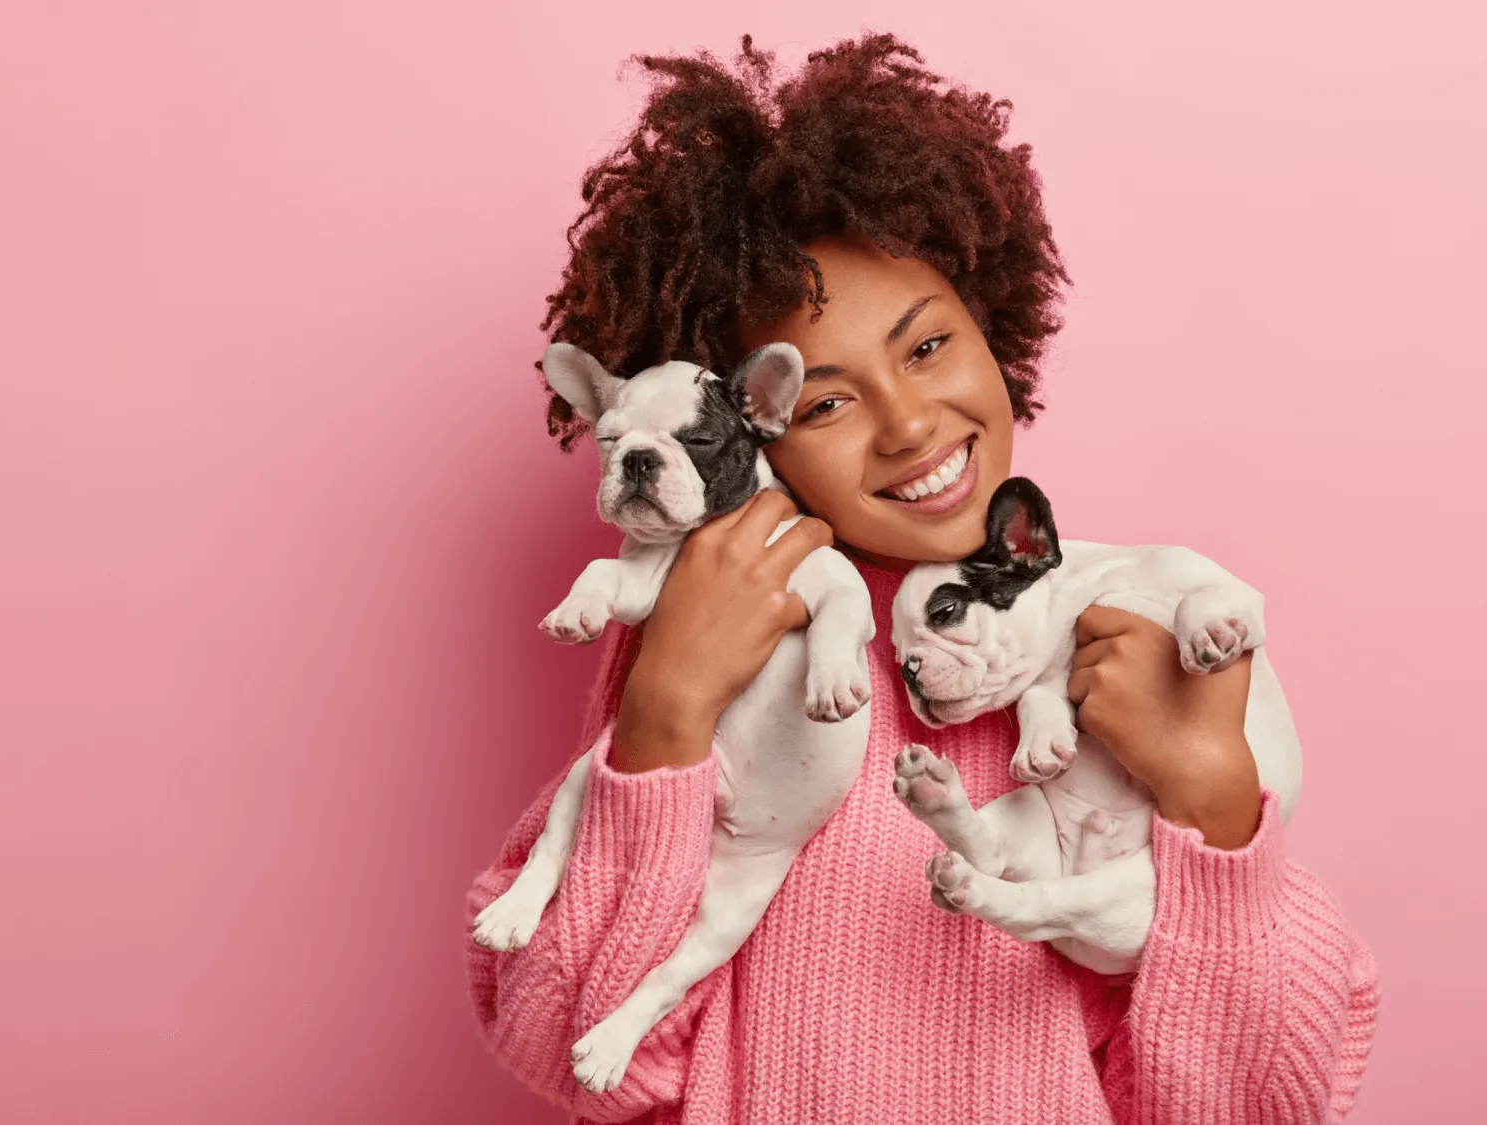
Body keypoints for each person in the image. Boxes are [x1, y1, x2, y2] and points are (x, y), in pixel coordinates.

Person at [464, 33, 1378, 1124]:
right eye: (828, 403)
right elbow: (565, 1049)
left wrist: (1215, 805)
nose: (907, 426)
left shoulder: (1131, 635)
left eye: (929, 346)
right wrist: (664, 707)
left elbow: (1266, 1105)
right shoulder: (712, 626)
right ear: (749, 431)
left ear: (993, 324)